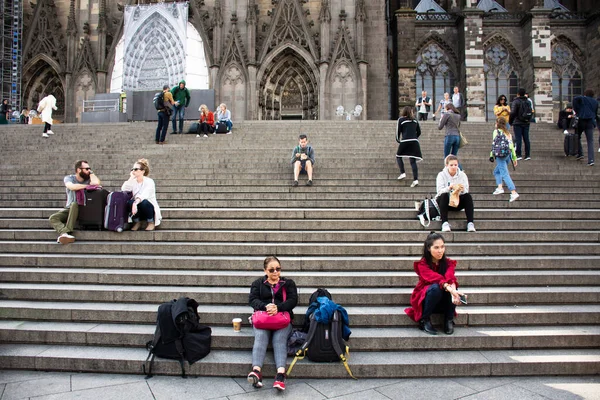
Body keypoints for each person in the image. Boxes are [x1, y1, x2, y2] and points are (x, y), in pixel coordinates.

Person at [247, 256, 298, 392]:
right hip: (264, 318)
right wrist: (266, 306)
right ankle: (256, 371)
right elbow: (252, 300)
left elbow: (293, 300)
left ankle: (280, 375)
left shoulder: (288, 283)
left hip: (282, 319)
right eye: (271, 270)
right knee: (261, 337)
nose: (275, 272)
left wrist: (278, 307)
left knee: (279, 339)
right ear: (265, 270)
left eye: (278, 269)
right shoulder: (257, 283)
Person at [404, 232, 464, 335]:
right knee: (436, 288)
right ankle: (424, 320)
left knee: (452, 288)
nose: (440, 251)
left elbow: (450, 277)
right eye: (436, 247)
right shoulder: (422, 264)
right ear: (428, 248)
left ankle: (448, 319)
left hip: (443, 299)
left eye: (442, 247)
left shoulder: (448, 263)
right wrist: (450, 288)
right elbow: (436, 278)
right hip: (427, 299)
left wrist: (454, 292)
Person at [49, 160, 101, 244]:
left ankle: (68, 231)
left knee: (74, 204)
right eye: (87, 169)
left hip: (83, 209)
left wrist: (91, 173)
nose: (89, 171)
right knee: (53, 218)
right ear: (79, 170)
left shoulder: (88, 178)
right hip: (69, 209)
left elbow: (96, 183)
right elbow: (71, 186)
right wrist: (88, 186)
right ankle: (64, 233)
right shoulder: (69, 178)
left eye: (90, 169)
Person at [436, 155, 475, 232]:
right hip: (445, 202)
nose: (453, 167)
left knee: (468, 196)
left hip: (457, 201)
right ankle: (444, 223)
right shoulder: (441, 175)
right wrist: (449, 188)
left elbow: (466, 190)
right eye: (451, 165)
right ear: (447, 165)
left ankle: (470, 223)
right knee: (444, 195)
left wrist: (461, 189)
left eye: (455, 165)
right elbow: (439, 191)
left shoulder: (462, 175)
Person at [121, 158, 162, 231]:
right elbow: (124, 189)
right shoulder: (133, 182)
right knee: (129, 202)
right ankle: (137, 222)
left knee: (144, 202)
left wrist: (135, 203)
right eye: (132, 169)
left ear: (143, 171)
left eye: (136, 169)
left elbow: (144, 195)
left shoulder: (149, 181)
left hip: (147, 207)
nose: (133, 171)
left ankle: (151, 222)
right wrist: (131, 178)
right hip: (136, 208)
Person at [490, 117, 519, 202]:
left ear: (497, 124)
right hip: (508, 155)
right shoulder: (508, 133)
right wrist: (514, 158)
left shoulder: (496, 132)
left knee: (504, 174)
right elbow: (512, 146)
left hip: (500, 155)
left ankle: (513, 192)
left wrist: (492, 155)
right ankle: (499, 187)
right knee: (496, 171)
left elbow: (494, 144)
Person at [395, 106, 422, 187]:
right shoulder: (415, 120)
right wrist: (414, 137)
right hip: (415, 141)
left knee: (398, 156)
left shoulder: (401, 119)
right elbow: (419, 132)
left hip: (405, 140)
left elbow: (398, 132)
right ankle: (415, 180)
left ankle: (403, 173)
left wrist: (399, 140)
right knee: (412, 161)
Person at [572, 89, 598, 166]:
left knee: (577, 136)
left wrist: (577, 111)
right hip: (590, 121)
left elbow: (575, 99)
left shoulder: (583, 98)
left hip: (581, 120)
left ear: (585, 94)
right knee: (590, 141)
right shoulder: (595, 102)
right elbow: (595, 112)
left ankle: (580, 153)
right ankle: (591, 160)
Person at [509, 88, 531, 161]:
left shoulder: (516, 101)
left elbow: (513, 113)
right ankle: (527, 155)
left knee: (518, 139)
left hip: (517, 122)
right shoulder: (528, 101)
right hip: (526, 122)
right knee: (526, 139)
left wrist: (510, 121)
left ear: (518, 94)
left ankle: (519, 155)